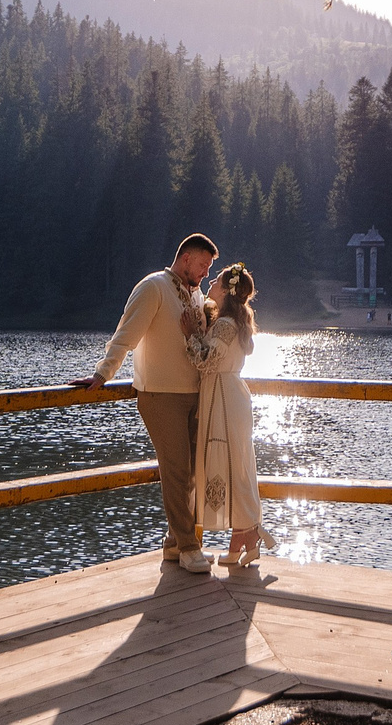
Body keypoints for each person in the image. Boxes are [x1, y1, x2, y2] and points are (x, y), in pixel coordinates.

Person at [84, 232, 218, 572]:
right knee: (175, 470)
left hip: (194, 394)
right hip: (160, 395)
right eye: (203, 265)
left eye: (208, 268)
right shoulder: (153, 287)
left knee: (190, 474)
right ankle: (190, 547)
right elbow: (125, 335)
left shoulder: (195, 293)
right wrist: (103, 373)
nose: (205, 273)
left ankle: (174, 543)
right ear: (186, 258)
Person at [189, 264, 267, 568]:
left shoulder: (224, 325)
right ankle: (243, 539)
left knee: (229, 463)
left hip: (222, 395)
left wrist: (189, 336)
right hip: (231, 395)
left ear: (226, 290)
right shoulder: (232, 321)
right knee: (238, 465)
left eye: (217, 281)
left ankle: (245, 537)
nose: (211, 284)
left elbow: (205, 363)